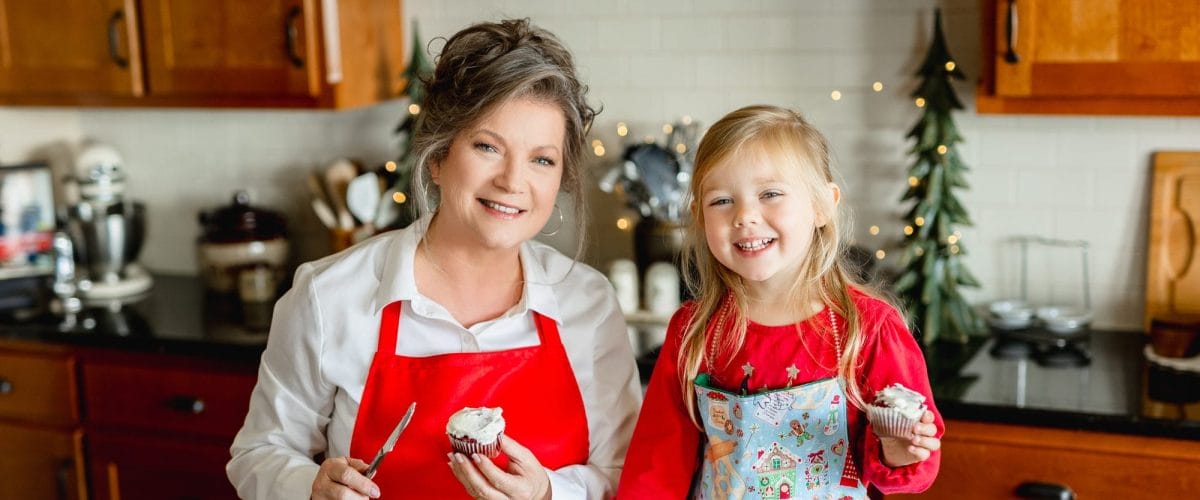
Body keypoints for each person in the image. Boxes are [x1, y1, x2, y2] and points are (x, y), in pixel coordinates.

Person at [227, 18, 642, 500]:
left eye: (541, 160)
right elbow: (260, 452)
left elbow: (625, 474)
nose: (513, 181)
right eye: (488, 146)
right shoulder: (329, 297)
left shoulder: (587, 304)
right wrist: (311, 487)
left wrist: (549, 492)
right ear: (439, 157)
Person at [617, 105, 942, 498]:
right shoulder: (694, 331)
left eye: (770, 194)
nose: (745, 216)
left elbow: (909, 465)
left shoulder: (869, 328)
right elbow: (656, 465)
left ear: (822, 205)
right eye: (721, 201)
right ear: (699, 218)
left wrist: (898, 450)